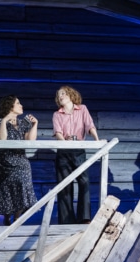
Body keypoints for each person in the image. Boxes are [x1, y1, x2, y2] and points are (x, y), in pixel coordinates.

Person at [0, 95, 38, 226]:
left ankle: (17, 217)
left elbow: (30, 141)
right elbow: (2, 139)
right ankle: (7, 217)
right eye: (18, 103)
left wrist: (34, 125)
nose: (21, 106)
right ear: (10, 106)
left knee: (22, 182)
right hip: (4, 161)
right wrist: (5, 121)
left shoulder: (22, 123)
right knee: (6, 188)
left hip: (20, 159)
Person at [53, 85, 99, 224]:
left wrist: (97, 140)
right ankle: (66, 220)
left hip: (79, 150)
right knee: (65, 186)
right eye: (58, 95)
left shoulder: (82, 109)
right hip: (64, 151)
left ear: (70, 95)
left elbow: (89, 125)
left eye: (63, 93)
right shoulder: (57, 114)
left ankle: (84, 217)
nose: (60, 96)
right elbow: (58, 133)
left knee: (84, 182)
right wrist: (65, 144)